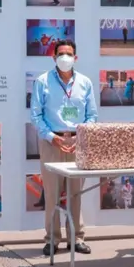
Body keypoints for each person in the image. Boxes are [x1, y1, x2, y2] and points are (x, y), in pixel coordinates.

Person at [31, 39, 98, 256]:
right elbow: (36, 115)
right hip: (52, 142)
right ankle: (52, 239)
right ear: (54, 57)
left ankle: (76, 238)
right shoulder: (42, 81)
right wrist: (52, 137)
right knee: (51, 192)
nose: (65, 58)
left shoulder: (85, 82)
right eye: (61, 54)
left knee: (75, 193)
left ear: (75, 58)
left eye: (69, 54)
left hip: (78, 142)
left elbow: (92, 115)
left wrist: (81, 135)